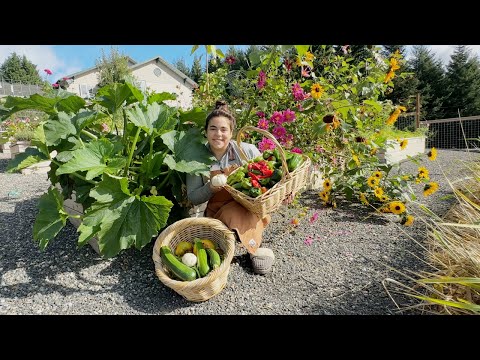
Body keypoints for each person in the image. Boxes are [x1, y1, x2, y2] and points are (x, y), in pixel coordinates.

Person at [186, 100, 275, 274]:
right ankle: (249, 244)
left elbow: (269, 180)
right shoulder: (195, 159)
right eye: (213, 129)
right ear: (206, 132)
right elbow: (193, 197)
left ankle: (251, 247)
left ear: (232, 132)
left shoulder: (247, 151)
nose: (218, 134)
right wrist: (211, 187)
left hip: (248, 207)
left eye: (223, 129)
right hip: (215, 212)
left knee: (241, 213)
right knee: (226, 219)